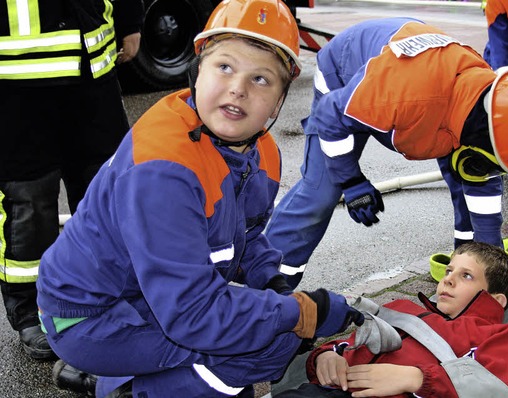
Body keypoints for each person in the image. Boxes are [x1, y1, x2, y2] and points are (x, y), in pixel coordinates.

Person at [35, 0, 363, 397]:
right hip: (93, 316)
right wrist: (302, 311)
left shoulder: (263, 153)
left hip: (150, 298)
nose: (238, 88)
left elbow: (246, 235)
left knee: (271, 339)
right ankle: (124, 387)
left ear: (278, 101)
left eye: (261, 79)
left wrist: (271, 280)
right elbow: (194, 314)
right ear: (197, 71)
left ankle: (117, 378)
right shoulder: (164, 167)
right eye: (225, 67)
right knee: (255, 350)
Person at [265, 17, 508, 288]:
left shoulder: (488, 103)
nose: (489, 171)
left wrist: (490, 265)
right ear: (483, 133)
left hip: (420, 87)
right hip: (346, 75)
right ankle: (268, 285)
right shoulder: (404, 95)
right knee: (321, 192)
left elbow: (481, 182)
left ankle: (465, 262)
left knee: (467, 174)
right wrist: (351, 180)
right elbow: (329, 118)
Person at [0, 0, 143, 360]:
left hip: (92, 71)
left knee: (107, 193)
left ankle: (103, 296)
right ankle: (31, 310)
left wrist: (129, 20)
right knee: (29, 202)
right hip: (16, 81)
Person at [274, 241, 508, 397]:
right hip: (328, 391)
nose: (448, 279)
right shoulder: (402, 309)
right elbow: (352, 343)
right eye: (449, 270)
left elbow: (496, 388)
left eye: (466, 276)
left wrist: (417, 380)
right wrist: (326, 357)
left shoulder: (497, 336)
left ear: (496, 300)